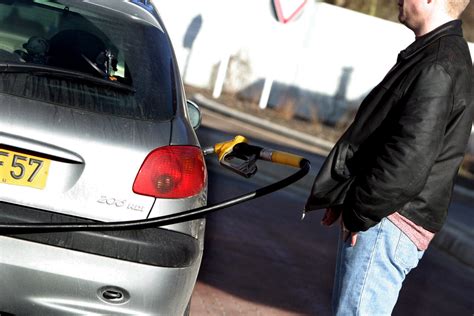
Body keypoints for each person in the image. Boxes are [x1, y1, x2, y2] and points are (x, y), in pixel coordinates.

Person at [304, 0, 473, 315]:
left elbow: (409, 157)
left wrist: (362, 211)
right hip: (386, 218)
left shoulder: (438, 64)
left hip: (387, 222)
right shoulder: (433, 55)